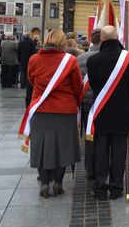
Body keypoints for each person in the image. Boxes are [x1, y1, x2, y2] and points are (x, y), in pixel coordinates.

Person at [25, 29, 83, 198]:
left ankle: (44, 183)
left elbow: (31, 80)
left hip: (40, 109)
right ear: (62, 42)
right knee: (63, 147)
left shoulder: (34, 59)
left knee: (41, 147)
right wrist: (76, 102)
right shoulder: (70, 60)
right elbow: (77, 86)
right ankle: (58, 183)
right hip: (65, 110)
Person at [86, 26, 129, 200]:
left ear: (101, 39)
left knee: (100, 152)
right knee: (118, 153)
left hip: (101, 112)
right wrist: (127, 107)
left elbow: (93, 86)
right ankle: (116, 188)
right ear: (118, 38)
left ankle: (100, 188)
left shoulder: (93, 60)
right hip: (122, 112)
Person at [76, 27, 101, 180]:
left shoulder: (80, 58)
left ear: (91, 40)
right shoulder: (111, 57)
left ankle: (89, 169)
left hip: (86, 103)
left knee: (89, 137)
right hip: (103, 103)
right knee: (103, 138)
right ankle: (102, 167)